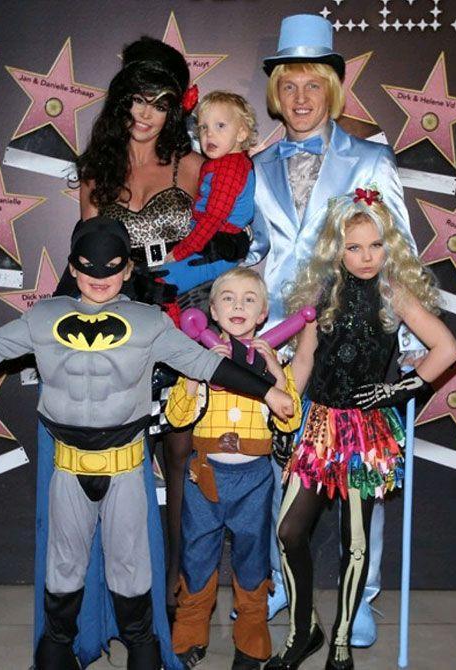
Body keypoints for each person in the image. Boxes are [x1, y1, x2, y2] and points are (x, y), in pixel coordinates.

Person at [0, 217, 294, 670]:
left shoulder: (148, 323)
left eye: (112, 267)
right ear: (73, 267)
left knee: (131, 567)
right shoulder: (44, 318)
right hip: (69, 465)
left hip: (124, 465)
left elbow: (206, 364)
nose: (100, 276)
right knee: (64, 565)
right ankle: (57, 647)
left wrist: (268, 391)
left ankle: (141, 647)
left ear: (127, 269)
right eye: (89, 266)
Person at [57, 37, 252, 620]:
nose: (146, 114)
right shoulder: (96, 172)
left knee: (183, 465)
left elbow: (231, 243)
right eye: (137, 99)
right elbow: (85, 260)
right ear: (121, 101)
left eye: (161, 103)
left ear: (176, 109)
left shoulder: (193, 166)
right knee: (118, 472)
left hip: (183, 326)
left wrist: (196, 280)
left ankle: (176, 598)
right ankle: (121, 599)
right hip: (117, 334)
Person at [246, 13, 415, 636]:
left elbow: (398, 250)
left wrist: (409, 344)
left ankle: (361, 597)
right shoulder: (256, 167)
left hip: (353, 338)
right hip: (278, 338)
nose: (300, 98)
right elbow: (254, 250)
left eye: (312, 85)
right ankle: (281, 582)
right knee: (280, 467)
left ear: (333, 90)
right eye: (289, 86)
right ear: (275, 94)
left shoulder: (370, 159)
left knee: (359, 471)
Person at [264, 190, 456, 670]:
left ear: (388, 245)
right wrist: (286, 411)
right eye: (354, 247)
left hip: (364, 434)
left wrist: (397, 391)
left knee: (355, 543)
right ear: (336, 248)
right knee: (289, 531)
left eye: (375, 245)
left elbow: (447, 349)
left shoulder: (394, 292)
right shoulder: (322, 292)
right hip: (318, 426)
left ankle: (342, 640)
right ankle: (303, 630)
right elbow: (305, 359)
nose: (367, 257)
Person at [166, 267, 302, 670]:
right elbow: (176, 416)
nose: (238, 306)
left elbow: (290, 420)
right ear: (212, 310)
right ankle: (189, 633)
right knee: (196, 555)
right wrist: (198, 372)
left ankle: (252, 639)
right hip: (204, 476)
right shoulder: (201, 358)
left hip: (253, 480)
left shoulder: (273, 362)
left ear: (263, 314)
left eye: (248, 300)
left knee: (253, 559)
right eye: (228, 298)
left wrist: (276, 375)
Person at [155, 91, 258, 296]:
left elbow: (213, 217)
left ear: (241, 133)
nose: (209, 134)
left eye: (220, 126)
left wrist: (182, 251)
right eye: (203, 127)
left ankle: (172, 316)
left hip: (217, 249)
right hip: (205, 239)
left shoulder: (230, 168)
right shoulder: (223, 163)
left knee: (163, 283)